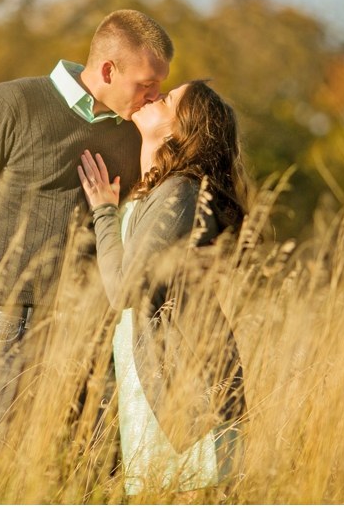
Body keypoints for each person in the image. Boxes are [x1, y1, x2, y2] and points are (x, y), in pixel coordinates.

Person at [0, 9, 173, 493]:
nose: (154, 95)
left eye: (160, 86)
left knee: (91, 479)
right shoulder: (13, 102)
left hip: (94, 334)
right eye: (147, 83)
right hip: (9, 320)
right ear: (109, 70)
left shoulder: (134, 132)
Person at [77, 79, 248, 498]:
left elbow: (122, 289)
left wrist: (102, 211)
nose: (155, 95)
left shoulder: (181, 193)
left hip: (183, 395)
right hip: (153, 383)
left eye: (168, 98)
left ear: (178, 130)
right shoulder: (159, 190)